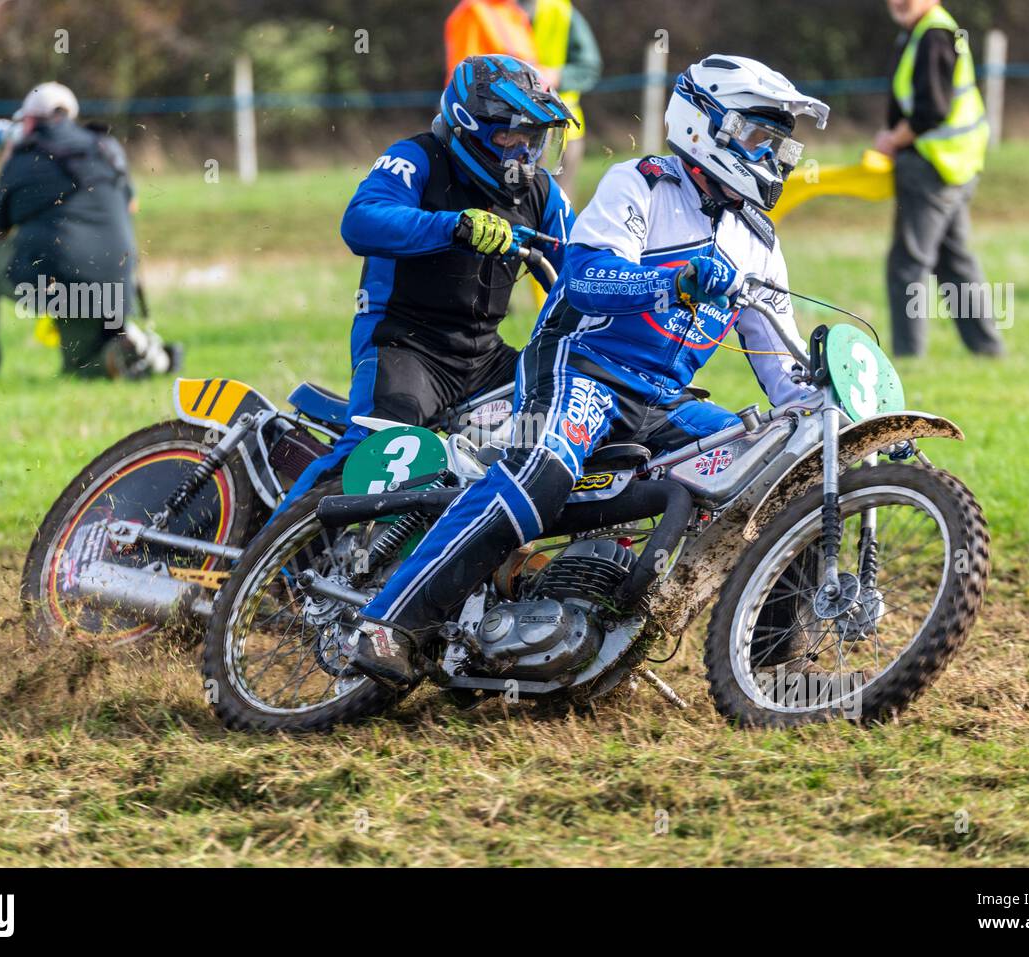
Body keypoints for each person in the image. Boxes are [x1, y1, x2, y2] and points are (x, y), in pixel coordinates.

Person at [349, 55, 828, 687]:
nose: (772, 157)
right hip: (583, 370)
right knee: (540, 473)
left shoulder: (759, 242)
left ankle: (774, 672)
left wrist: (836, 412)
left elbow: (782, 367)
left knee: (779, 467)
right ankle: (391, 622)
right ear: (707, 126)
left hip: (665, 399)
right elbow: (587, 278)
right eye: (759, 138)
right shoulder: (642, 183)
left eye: (779, 144)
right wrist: (674, 281)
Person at [274, 55, 576, 512]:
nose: (522, 154)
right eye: (508, 137)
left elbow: (581, 266)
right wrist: (453, 226)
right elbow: (360, 221)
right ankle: (271, 560)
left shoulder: (542, 192)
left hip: (485, 357)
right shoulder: (416, 158)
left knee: (563, 421)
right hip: (406, 345)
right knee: (372, 454)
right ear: (468, 127)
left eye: (531, 141)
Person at [0, 81, 179, 378]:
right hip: (117, 276)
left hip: (62, 277)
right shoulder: (105, 146)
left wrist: (9, 164)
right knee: (83, 364)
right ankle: (138, 351)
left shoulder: (23, 159)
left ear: (29, 120)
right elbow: (132, 205)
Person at [875, 0, 1003, 357]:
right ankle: (988, 351)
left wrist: (891, 139)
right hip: (954, 163)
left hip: (933, 167)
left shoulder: (932, 36)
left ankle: (906, 356)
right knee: (955, 263)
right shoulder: (929, 30)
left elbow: (932, 109)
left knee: (908, 263)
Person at [445, 0, 601, 200]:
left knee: (550, 202)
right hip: (498, 130)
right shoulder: (477, 12)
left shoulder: (548, 11)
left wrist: (555, 77)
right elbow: (465, 76)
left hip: (549, 129)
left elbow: (589, 67)